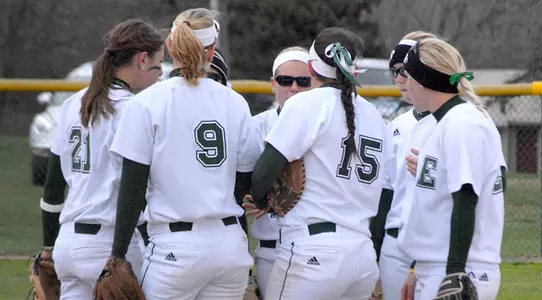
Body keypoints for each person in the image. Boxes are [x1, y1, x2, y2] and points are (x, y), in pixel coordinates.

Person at [104, 8, 260, 300]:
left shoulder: (147, 102)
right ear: (212, 51)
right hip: (229, 246)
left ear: (171, 47)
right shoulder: (235, 103)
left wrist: (117, 254)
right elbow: (242, 184)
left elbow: (132, 189)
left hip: (175, 249)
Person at [249, 27, 393, 300]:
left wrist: (262, 199)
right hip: (362, 254)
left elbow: (263, 174)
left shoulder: (306, 104)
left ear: (312, 66)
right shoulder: (374, 115)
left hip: (313, 250)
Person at [38, 19, 164, 299]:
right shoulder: (134, 109)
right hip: (111, 243)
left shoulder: (73, 104)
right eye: (158, 65)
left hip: (68, 244)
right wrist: (119, 254)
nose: (159, 75)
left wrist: (48, 245)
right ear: (142, 60)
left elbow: (53, 189)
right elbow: (137, 190)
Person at [396, 38, 505, 300]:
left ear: (422, 81)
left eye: (407, 75)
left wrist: (454, 273)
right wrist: (416, 269)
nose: (404, 82)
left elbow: (466, 196)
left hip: (459, 268)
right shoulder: (446, 122)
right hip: (438, 266)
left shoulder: (462, 122)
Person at [368, 31, 437, 300]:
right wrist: (373, 255)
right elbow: (385, 195)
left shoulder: (455, 120)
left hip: (434, 244)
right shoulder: (396, 126)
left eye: (405, 70)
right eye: (394, 71)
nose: (399, 79)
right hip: (395, 243)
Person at [246, 46, 312, 298]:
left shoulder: (324, 125)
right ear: (273, 83)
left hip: (312, 247)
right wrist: (258, 196)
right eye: (285, 80)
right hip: (270, 249)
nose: (294, 87)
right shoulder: (256, 125)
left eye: (303, 81)